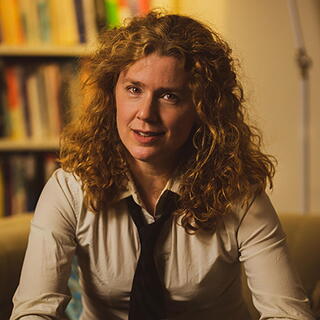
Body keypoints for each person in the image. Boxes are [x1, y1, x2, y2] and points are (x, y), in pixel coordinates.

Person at [10, 10, 315, 320]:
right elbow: (34, 310)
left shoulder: (238, 193)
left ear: (201, 108)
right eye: (134, 89)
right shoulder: (70, 187)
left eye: (169, 96)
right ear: (111, 93)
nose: (146, 113)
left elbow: (287, 313)